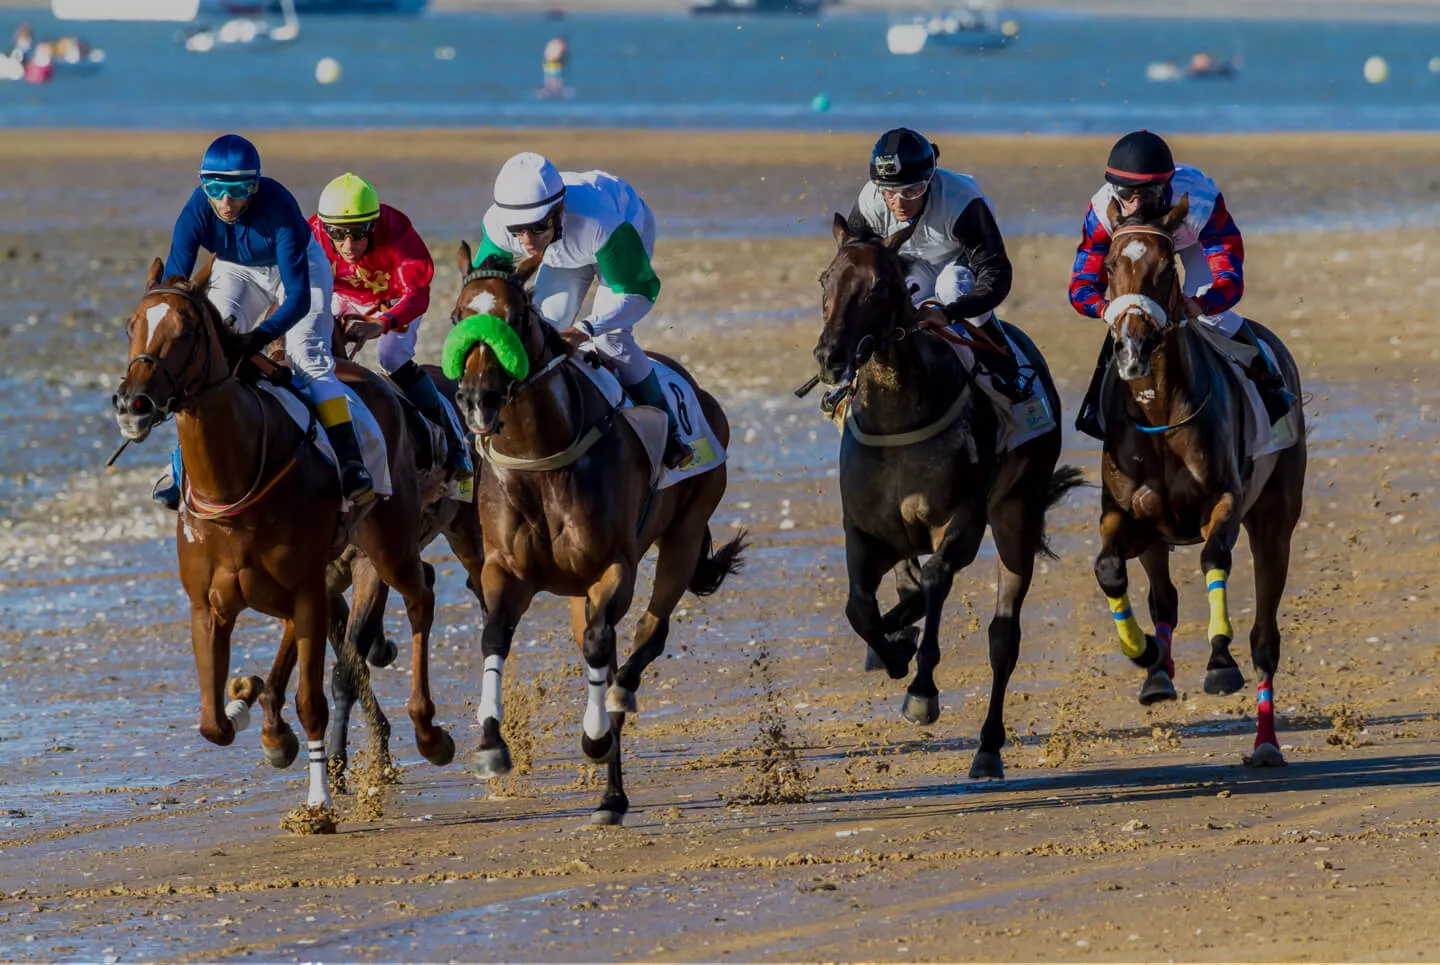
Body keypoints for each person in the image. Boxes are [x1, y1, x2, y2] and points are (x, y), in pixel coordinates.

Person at [152, 133, 374, 510]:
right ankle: (181, 467)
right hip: (237, 269)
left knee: (308, 358)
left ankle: (352, 465)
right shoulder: (195, 211)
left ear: (255, 187)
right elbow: (174, 287)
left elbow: (298, 298)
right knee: (209, 361)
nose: (226, 201)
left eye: (239, 189)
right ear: (203, 184)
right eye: (216, 188)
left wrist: (256, 339)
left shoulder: (279, 207)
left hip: (299, 267)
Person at [470, 152, 694, 469]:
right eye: (517, 231)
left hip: (620, 230)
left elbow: (640, 292)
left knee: (611, 340)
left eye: (536, 228)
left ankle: (671, 435)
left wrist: (586, 329)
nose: (528, 243)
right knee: (539, 331)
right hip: (568, 249)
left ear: (558, 210)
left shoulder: (601, 225)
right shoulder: (498, 224)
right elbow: (485, 293)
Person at [1069, 129, 1296, 438]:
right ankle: (1097, 408)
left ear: (1165, 187)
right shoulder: (1101, 212)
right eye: (1125, 193)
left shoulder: (1200, 202)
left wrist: (1201, 303)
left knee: (1213, 319)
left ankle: (1270, 394)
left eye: (1146, 194)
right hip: (1137, 252)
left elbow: (1228, 278)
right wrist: (1105, 308)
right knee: (1126, 322)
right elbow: (1081, 285)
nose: (1134, 204)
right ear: (1114, 190)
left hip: (1192, 240)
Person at [309, 172, 472, 485]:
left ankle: (453, 440)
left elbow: (418, 294)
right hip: (343, 296)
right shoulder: (312, 232)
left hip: (393, 298)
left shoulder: (397, 231)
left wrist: (380, 324)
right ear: (324, 227)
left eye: (358, 234)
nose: (347, 245)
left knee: (391, 357)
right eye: (337, 234)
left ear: (373, 224)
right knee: (313, 354)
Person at [849, 127, 1031, 401]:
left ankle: (1006, 366)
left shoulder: (962, 201)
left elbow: (996, 274)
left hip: (959, 262)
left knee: (952, 286)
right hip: (913, 265)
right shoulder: (869, 202)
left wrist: (950, 313)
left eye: (912, 190)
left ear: (930, 180)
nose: (899, 203)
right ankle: (850, 380)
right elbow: (852, 265)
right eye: (889, 192)